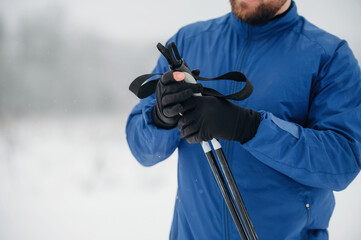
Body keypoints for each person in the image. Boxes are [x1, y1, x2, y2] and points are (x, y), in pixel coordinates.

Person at [126, 0, 361, 239]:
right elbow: (141, 148)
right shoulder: (188, 41)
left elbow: (343, 161)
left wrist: (249, 127)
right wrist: (160, 117)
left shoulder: (329, 56)